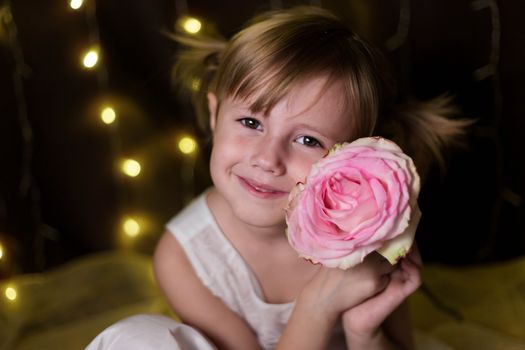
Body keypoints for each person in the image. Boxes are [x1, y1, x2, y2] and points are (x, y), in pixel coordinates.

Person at [87, 5, 468, 350]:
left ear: (354, 156)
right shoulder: (183, 258)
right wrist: (318, 305)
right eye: (250, 122)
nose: (268, 159)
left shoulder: (366, 232)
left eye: (307, 140)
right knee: (136, 338)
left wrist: (364, 332)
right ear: (215, 113)